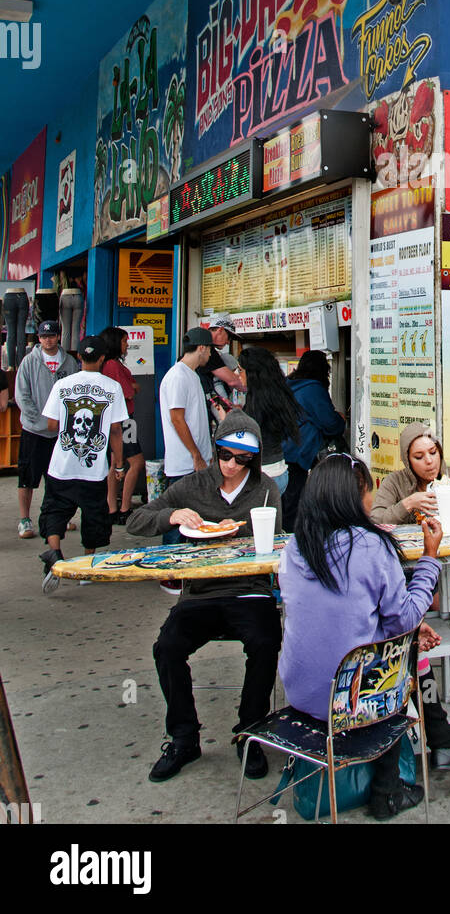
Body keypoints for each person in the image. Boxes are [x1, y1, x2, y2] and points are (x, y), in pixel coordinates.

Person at [278, 451, 442, 820]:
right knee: (402, 658)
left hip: (303, 694)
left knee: (392, 639)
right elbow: (404, 618)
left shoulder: (293, 548)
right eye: (370, 489)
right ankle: (387, 790)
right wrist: (430, 558)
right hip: (354, 703)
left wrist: (410, 626)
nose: (373, 498)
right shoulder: (372, 545)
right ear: (357, 496)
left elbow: (337, 615)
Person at [126, 410, 283, 784]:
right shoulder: (193, 486)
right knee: (167, 647)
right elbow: (136, 521)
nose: (231, 465)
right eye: (225, 455)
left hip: (248, 590)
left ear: (254, 459)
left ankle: (250, 731)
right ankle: (184, 737)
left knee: (266, 641)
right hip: (200, 591)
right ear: (216, 450)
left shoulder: (266, 490)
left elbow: (276, 544)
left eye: (242, 459)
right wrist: (173, 516)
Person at [370, 422, 450, 686]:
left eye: (433, 453)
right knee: (415, 612)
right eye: (419, 457)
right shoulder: (396, 483)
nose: (429, 462)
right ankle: (412, 690)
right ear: (407, 460)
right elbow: (375, 520)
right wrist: (407, 504)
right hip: (412, 571)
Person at [38, 334, 127, 593]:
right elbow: (116, 431)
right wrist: (119, 465)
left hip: (61, 466)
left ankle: (54, 553)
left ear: (79, 357)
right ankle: (87, 564)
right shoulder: (112, 388)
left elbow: (52, 425)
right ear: (101, 358)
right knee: (94, 516)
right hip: (93, 469)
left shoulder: (63, 385)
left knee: (54, 511)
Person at [14, 320, 79, 540]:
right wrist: (41, 421)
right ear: (39, 338)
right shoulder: (28, 362)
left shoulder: (69, 362)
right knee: (27, 477)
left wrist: (62, 422)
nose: (47, 340)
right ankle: (25, 519)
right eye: (43, 337)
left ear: (58, 337)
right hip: (33, 431)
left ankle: (59, 516)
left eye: (51, 336)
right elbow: (22, 396)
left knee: (59, 477)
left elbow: (74, 394)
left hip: (60, 432)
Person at [282, 350, 346, 531]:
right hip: (300, 453)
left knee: (288, 502)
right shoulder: (313, 389)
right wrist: (341, 418)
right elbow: (331, 424)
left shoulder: (288, 385)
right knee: (295, 503)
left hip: (284, 452)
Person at [238, 347, 301, 513]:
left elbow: (246, 441)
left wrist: (228, 421)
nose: (238, 375)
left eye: (241, 370)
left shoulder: (255, 404)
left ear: (252, 373)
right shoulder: (277, 397)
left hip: (260, 475)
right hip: (279, 471)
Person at [100, 326, 144, 524]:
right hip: (123, 420)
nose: (127, 345)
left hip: (116, 420)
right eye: (125, 341)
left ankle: (111, 507)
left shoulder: (109, 364)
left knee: (114, 462)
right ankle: (124, 507)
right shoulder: (114, 366)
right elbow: (129, 392)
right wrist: (134, 386)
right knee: (136, 462)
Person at [159, 329, 213, 482]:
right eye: (210, 350)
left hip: (197, 464)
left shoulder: (192, 374)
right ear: (201, 348)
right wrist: (196, 454)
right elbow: (177, 419)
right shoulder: (178, 376)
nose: (210, 355)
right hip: (185, 466)